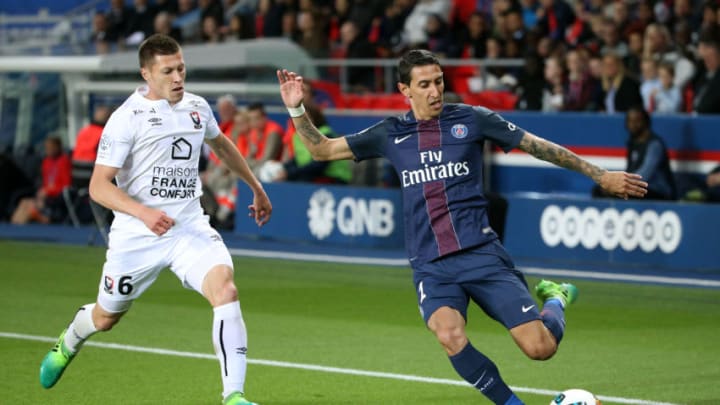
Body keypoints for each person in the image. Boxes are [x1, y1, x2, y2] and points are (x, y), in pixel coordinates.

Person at [276, 49, 647, 405]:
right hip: (432, 265)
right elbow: (321, 150)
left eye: (438, 81)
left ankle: (556, 298)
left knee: (540, 349)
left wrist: (600, 175)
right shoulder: (390, 134)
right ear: (404, 90)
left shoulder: (472, 119)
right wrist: (296, 107)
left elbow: (537, 146)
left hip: (480, 254)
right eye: (424, 84)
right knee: (449, 335)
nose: (435, 90)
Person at [38, 34, 271, 405]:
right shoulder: (125, 119)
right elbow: (99, 187)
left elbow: (222, 144)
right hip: (137, 234)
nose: (178, 77)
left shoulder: (197, 107)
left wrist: (256, 187)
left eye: (181, 68)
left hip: (189, 227)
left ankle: (234, 396)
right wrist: (144, 212)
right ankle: (69, 341)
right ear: (146, 73)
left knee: (225, 290)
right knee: (105, 318)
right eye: (168, 71)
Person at [594, 106, 676, 201]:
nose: (632, 125)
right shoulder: (632, 143)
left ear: (646, 122)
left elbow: (644, 175)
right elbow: (630, 171)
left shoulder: (654, 145)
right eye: (630, 121)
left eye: (637, 121)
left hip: (658, 191)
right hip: (637, 188)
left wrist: (619, 185)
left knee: (619, 193)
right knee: (598, 190)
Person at [11, 136, 72, 225]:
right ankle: (13, 229)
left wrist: (48, 191)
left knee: (30, 207)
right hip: (45, 197)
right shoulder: (46, 162)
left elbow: (66, 185)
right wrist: (43, 192)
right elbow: (46, 183)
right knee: (23, 203)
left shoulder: (64, 161)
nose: (48, 150)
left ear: (58, 147)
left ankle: (42, 219)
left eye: (51, 147)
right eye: (47, 147)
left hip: (56, 198)